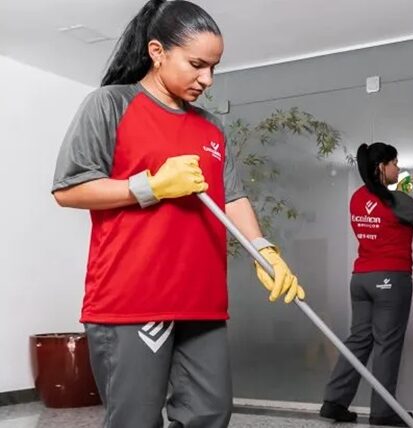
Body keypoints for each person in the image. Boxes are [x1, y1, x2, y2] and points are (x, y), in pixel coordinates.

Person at [51, 1, 304, 427]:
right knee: (136, 418)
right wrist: (150, 186)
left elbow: (233, 197)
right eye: (196, 64)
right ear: (157, 51)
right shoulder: (111, 105)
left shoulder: (211, 127)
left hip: (202, 301)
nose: (207, 79)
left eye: (214, 67)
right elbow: (69, 188)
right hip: (134, 299)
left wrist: (264, 250)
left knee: (210, 413)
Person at [319, 142, 413, 426]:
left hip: (361, 279)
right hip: (392, 279)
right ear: (381, 167)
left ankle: (334, 402)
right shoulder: (396, 200)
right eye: (394, 163)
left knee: (359, 340)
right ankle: (384, 412)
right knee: (387, 343)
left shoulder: (357, 197)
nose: (397, 168)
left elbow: (382, 211)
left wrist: (402, 192)